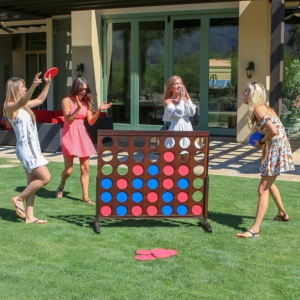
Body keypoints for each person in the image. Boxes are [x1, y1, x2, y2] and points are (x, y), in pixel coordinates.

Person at [236, 82, 295, 238]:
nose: (243, 92)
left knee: (262, 188)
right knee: (269, 182)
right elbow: (269, 135)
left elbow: (273, 131)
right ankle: (282, 213)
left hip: (277, 147)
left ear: (253, 94)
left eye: (246, 91)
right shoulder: (266, 108)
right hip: (277, 147)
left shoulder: (258, 109)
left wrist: (261, 142)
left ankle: (255, 230)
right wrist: (263, 156)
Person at [3, 73, 52, 224]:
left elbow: (40, 100)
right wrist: (33, 85)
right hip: (26, 150)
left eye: (25, 86)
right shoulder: (10, 106)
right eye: (22, 86)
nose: (24, 89)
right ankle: (18, 198)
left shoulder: (23, 105)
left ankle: (29, 217)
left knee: (33, 182)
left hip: (33, 148)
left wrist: (47, 83)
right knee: (45, 178)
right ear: (14, 89)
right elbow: (23, 100)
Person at [55, 77, 112, 204]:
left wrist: (99, 110)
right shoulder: (66, 100)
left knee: (85, 168)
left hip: (82, 134)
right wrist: (77, 108)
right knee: (68, 170)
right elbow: (69, 120)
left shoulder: (86, 102)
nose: (84, 91)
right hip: (69, 134)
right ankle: (61, 185)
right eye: (82, 88)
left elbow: (91, 122)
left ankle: (85, 197)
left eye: (86, 89)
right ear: (76, 87)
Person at [162, 75, 197, 154]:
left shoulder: (185, 99)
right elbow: (178, 114)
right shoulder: (168, 101)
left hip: (187, 128)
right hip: (176, 128)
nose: (179, 86)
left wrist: (187, 97)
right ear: (170, 87)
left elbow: (192, 112)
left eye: (180, 83)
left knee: (187, 154)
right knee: (174, 153)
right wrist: (181, 99)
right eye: (176, 84)